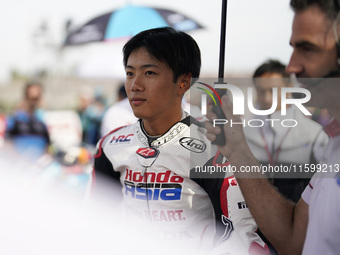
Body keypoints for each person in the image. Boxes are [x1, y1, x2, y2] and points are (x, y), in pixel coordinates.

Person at [93, 27, 268, 254]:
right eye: (129, 73)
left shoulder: (215, 148)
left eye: (149, 73)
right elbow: (96, 220)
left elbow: (242, 237)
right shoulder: (110, 146)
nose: (135, 85)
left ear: (183, 82)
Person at [205, 1, 340, 254]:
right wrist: (237, 149)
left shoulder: (315, 136)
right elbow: (293, 239)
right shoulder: (334, 143)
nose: (293, 67)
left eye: (308, 48)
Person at [246, 59, 328, 203]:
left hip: (298, 217)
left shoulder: (314, 135)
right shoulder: (243, 133)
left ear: (289, 89)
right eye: (261, 91)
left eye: (273, 91)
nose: (267, 98)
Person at [6, 81, 50, 159]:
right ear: (26, 96)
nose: (34, 101)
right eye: (32, 97)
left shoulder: (42, 120)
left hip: (38, 167)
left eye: (36, 97)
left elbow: (47, 146)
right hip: (19, 166)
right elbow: (8, 143)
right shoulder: (15, 118)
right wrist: (18, 160)